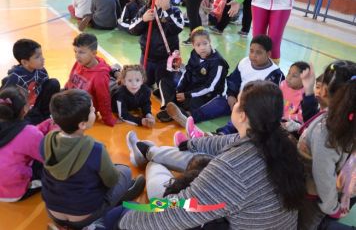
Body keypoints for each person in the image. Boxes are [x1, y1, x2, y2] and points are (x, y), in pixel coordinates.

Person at [121, 80, 306, 229]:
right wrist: (191, 143)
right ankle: (148, 151)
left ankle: (149, 157)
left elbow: (178, 209)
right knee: (198, 157)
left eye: (238, 101)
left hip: (221, 217)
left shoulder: (234, 169)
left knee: (158, 173)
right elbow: (224, 142)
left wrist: (126, 221)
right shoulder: (281, 141)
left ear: (242, 115)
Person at [41, 89, 145, 229]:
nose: (94, 109)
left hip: (53, 212)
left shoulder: (46, 140)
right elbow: (111, 180)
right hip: (84, 216)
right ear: (82, 124)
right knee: (124, 171)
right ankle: (95, 223)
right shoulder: (95, 149)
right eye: (91, 109)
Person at [297, 61, 356, 230]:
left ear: (323, 90)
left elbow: (323, 177)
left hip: (314, 196)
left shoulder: (327, 130)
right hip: (337, 190)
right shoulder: (346, 118)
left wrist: (332, 208)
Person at [157, 27, 229, 126]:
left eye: (205, 43)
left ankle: (178, 111)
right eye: (198, 45)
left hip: (207, 94)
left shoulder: (218, 62)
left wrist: (187, 95)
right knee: (164, 82)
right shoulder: (194, 53)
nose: (202, 47)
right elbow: (187, 72)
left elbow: (210, 87)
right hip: (192, 87)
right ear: (193, 45)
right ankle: (169, 108)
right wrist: (179, 90)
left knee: (192, 103)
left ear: (210, 42)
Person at [129, 0, 184, 88]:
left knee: (164, 85)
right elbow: (132, 29)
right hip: (147, 57)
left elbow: (178, 28)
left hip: (166, 59)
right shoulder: (145, 10)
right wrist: (143, 20)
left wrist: (168, 11)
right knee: (145, 82)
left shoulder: (175, 11)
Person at [1, 39, 60, 125]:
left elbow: (46, 92)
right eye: (37, 57)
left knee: (53, 83)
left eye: (41, 55)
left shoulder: (41, 70)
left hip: (37, 105)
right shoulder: (15, 78)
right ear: (25, 62)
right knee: (28, 122)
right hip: (24, 111)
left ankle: (46, 115)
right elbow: (6, 100)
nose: (42, 59)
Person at [0, 87, 44, 202]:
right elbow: (47, 157)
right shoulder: (30, 132)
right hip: (12, 193)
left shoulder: (29, 132)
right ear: (25, 109)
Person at [65, 33, 118, 127]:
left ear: (93, 53)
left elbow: (104, 99)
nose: (77, 56)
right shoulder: (81, 62)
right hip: (71, 98)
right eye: (75, 51)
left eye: (81, 52)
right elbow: (71, 79)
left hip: (82, 109)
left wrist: (108, 119)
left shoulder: (99, 76)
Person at [280, 61, 309, 133]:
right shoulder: (283, 84)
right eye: (289, 73)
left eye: (294, 76)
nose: (288, 77)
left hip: (290, 124)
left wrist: (284, 118)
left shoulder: (305, 96)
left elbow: (300, 117)